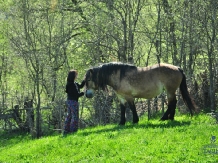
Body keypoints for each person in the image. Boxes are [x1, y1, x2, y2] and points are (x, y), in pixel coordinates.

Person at [63, 69, 85, 135]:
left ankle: (66, 131)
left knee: (69, 116)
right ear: (73, 76)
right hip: (73, 102)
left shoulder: (73, 84)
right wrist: (84, 92)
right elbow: (77, 95)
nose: (77, 76)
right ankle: (73, 131)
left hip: (69, 102)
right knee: (74, 117)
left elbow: (81, 86)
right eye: (76, 75)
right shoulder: (71, 85)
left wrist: (85, 80)